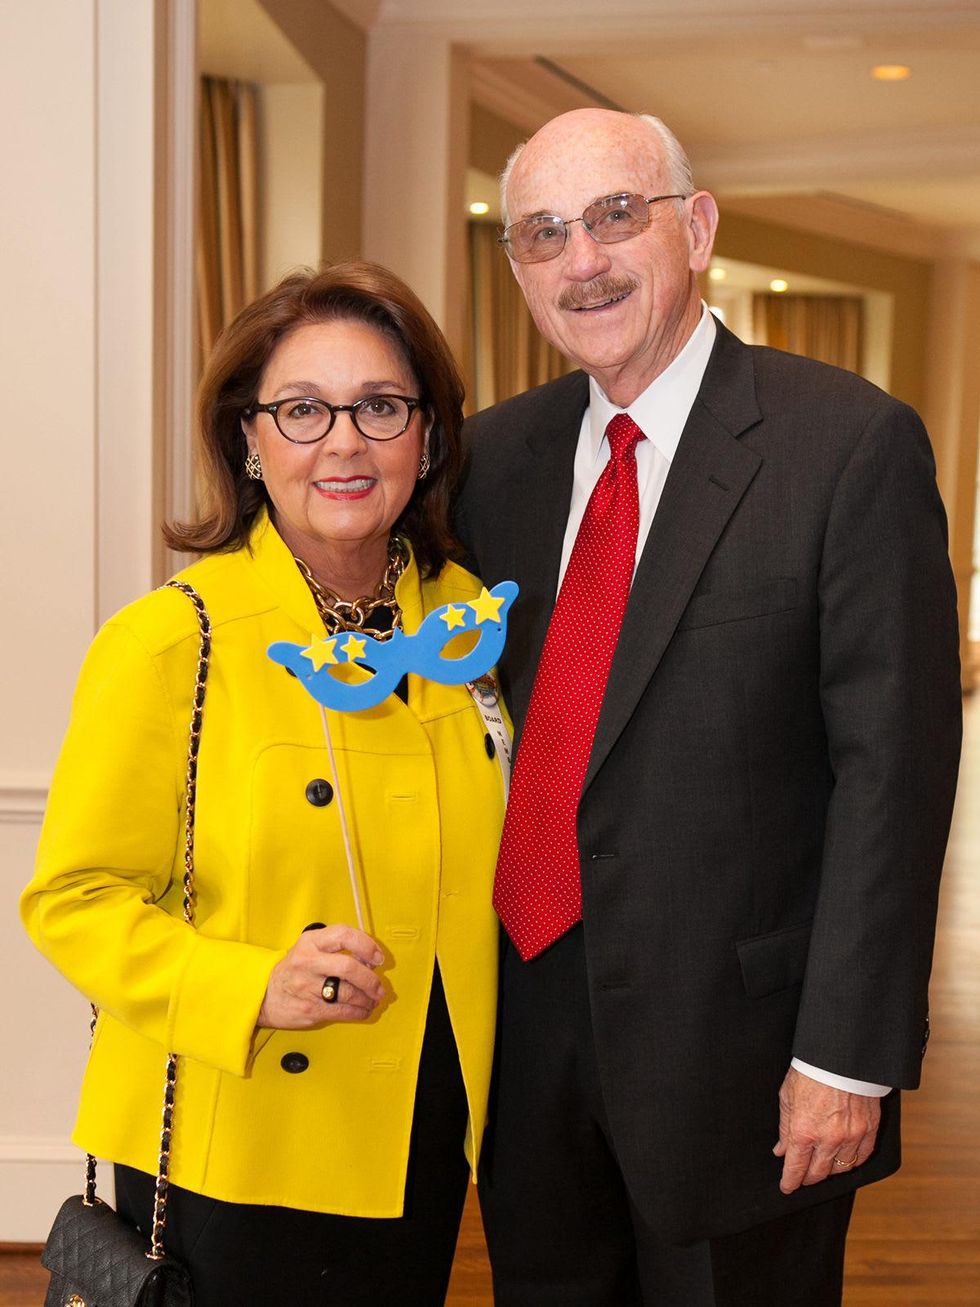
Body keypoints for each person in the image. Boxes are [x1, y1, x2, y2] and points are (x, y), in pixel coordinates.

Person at [457, 108, 962, 1307]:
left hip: (743, 1054)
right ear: (518, 268)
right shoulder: (487, 462)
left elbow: (891, 776)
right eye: (542, 233)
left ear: (694, 228)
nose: (582, 260)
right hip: (521, 1034)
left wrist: (843, 1054)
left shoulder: (846, 445)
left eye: (613, 216)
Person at [21, 263, 508, 1307]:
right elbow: (72, 898)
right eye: (302, 410)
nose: (344, 442)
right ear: (249, 438)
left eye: (380, 406)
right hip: (235, 1126)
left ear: (426, 436)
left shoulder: (467, 624)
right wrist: (250, 985)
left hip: (422, 1126)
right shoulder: (173, 638)